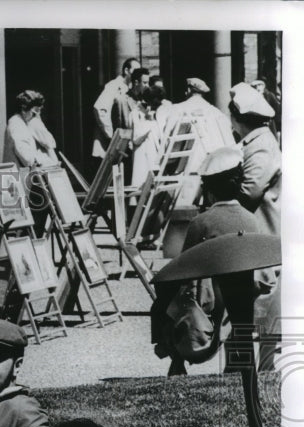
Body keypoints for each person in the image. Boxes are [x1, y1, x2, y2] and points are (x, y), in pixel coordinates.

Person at [151, 147, 261, 376]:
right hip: (241, 299)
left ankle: (176, 359)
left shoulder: (202, 222)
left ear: (209, 192)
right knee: (240, 303)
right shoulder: (251, 220)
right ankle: (238, 364)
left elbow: (185, 267)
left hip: (210, 300)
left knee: (162, 300)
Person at [229, 81, 281, 370]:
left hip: (262, 232)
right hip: (259, 233)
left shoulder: (259, 145)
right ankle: (248, 364)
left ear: (239, 118)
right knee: (254, 303)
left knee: (261, 301)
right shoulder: (258, 141)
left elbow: (249, 191)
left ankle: (262, 365)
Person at [92, 58, 140, 165]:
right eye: (135, 70)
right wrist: (111, 135)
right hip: (111, 143)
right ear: (126, 71)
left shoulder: (131, 89)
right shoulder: (113, 86)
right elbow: (100, 109)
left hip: (124, 144)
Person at [3, 90, 58, 169]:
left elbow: (48, 142)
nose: (36, 116)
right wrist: (45, 159)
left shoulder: (25, 122)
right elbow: (27, 159)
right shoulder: (16, 124)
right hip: (18, 177)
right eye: (34, 112)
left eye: (38, 112)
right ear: (23, 110)